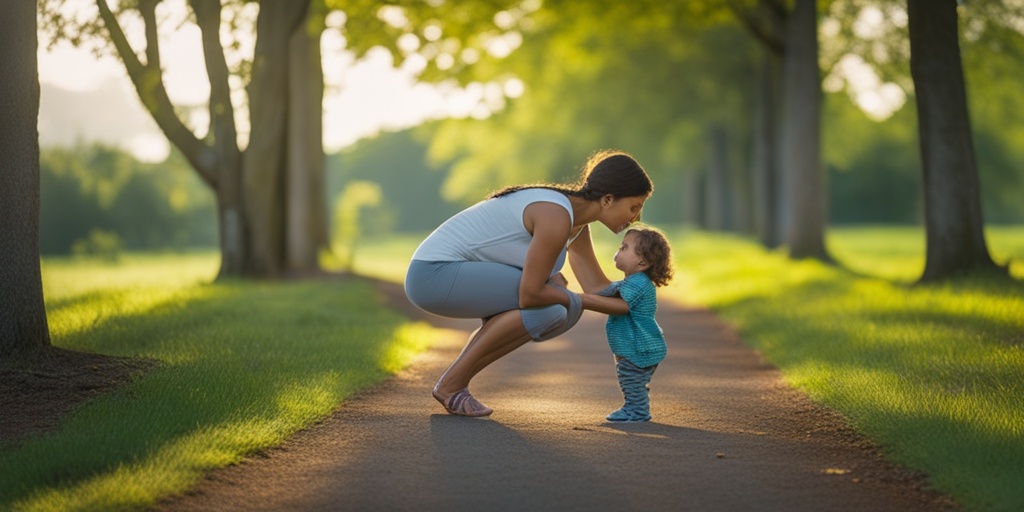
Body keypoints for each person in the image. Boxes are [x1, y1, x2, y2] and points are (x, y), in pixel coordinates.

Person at [404, 150, 653, 417]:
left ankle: (454, 384)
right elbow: (531, 294)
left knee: (557, 310)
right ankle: (452, 385)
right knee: (550, 309)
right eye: (634, 206)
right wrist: (571, 297)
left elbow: (596, 287)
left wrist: (640, 289)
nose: (636, 217)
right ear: (607, 199)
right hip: (433, 275)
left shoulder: (577, 223)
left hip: (443, 273)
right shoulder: (556, 215)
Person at [587, 226, 673, 422]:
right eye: (620, 246)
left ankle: (637, 411)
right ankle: (635, 405)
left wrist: (583, 300)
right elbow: (609, 290)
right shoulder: (632, 281)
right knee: (632, 380)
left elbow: (622, 306)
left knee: (630, 380)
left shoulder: (638, 283)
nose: (618, 251)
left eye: (625, 248)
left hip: (638, 346)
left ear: (642, 262)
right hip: (637, 345)